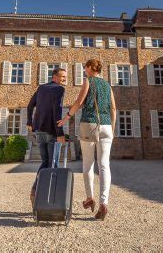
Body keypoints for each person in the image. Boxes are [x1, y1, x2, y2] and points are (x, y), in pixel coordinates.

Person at [58, 58, 116, 221]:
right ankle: (104, 203)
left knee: (88, 164)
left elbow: (79, 102)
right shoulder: (107, 85)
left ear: (91, 68)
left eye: (85, 67)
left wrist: (66, 117)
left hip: (89, 124)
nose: (84, 70)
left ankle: (90, 198)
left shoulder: (88, 81)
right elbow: (113, 108)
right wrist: (112, 128)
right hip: (106, 126)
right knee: (104, 164)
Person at [27, 67, 67, 206]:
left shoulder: (41, 88)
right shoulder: (59, 90)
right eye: (62, 77)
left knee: (45, 162)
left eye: (65, 77)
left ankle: (34, 191)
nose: (64, 79)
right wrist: (60, 133)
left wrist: (29, 122)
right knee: (53, 164)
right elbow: (57, 111)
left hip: (39, 130)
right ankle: (47, 198)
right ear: (54, 77)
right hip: (51, 132)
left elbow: (30, 106)